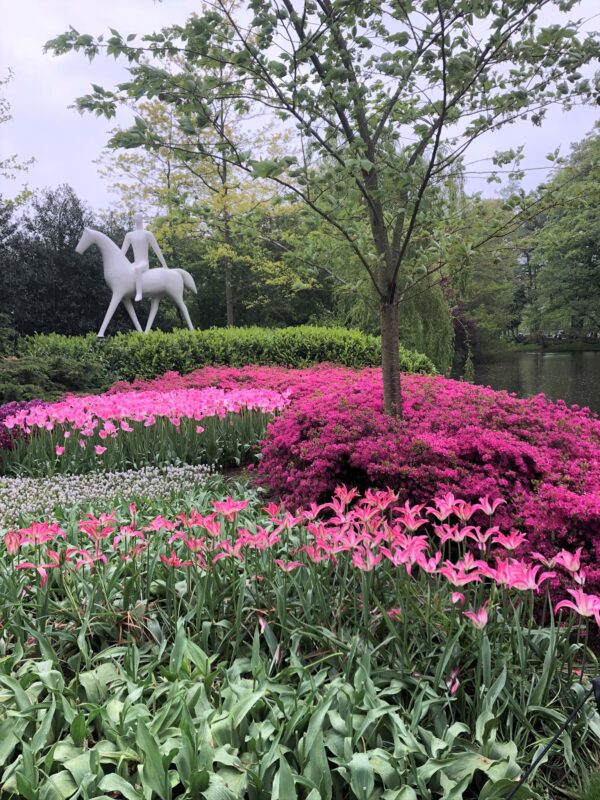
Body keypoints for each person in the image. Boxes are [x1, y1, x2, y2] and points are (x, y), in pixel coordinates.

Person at [121, 212, 169, 301]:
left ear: (141, 219)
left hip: (144, 263)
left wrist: (164, 265)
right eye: (135, 217)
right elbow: (122, 253)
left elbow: (157, 250)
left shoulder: (147, 234)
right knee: (128, 271)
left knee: (137, 269)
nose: (136, 219)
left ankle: (139, 293)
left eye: (138, 217)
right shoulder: (129, 235)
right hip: (135, 263)